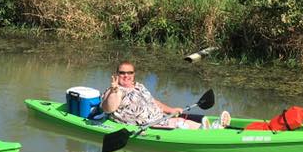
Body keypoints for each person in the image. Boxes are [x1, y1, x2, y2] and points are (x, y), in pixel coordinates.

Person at [98, 60, 230, 129]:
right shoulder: (113, 90)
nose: (126, 75)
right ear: (117, 74)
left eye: (130, 72)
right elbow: (109, 108)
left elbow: (153, 101)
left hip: (159, 118)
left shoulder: (139, 86)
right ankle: (210, 131)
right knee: (179, 124)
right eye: (122, 73)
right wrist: (114, 90)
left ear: (134, 74)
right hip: (146, 126)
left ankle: (212, 128)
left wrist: (171, 109)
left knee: (181, 121)